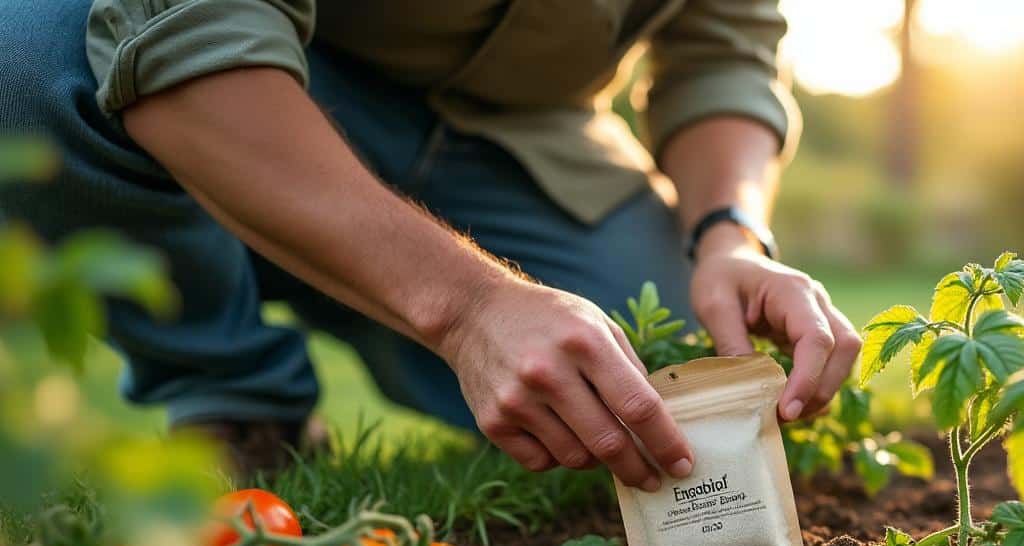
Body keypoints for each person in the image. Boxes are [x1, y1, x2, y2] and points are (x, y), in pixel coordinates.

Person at [0, 0, 861, 490]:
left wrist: (728, 233)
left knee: (660, 379)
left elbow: (725, 50)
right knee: (31, 58)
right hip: (260, 84)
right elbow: (182, 30)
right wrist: (469, 308)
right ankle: (238, 398)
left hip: (523, 147)